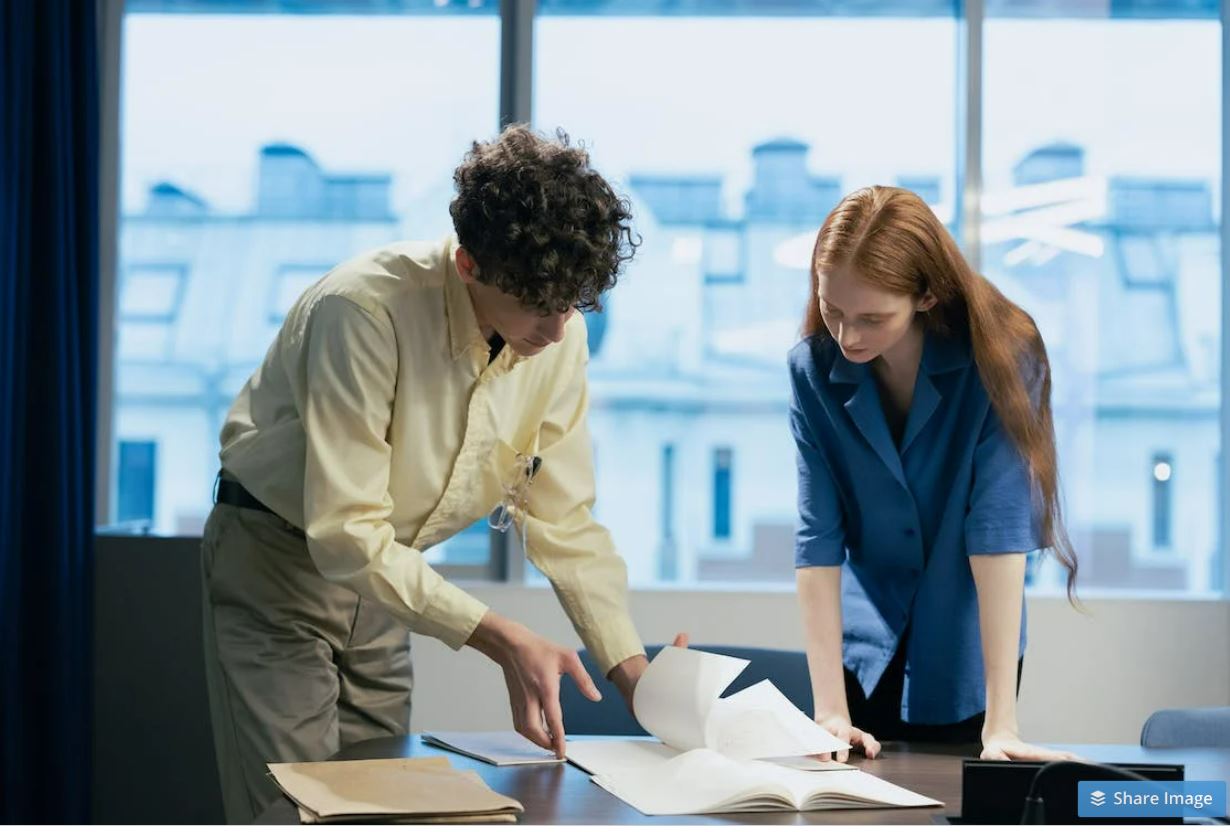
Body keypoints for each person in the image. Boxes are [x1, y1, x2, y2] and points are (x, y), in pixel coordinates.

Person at [200, 124, 682, 823]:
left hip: (391, 578)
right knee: (294, 809)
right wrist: (502, 637)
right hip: (279, 561)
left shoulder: (559, 334)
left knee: (389, 807)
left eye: (572, 303)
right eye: (536, 304)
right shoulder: (362, 312)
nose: (556, 330)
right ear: (468, 265)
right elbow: (346, 536)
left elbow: (563, 518)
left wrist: (632, 672)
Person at [788, 185, 1081, 763]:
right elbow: (817, 540)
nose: (847, 337)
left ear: (925, 295)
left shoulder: (1002, 353)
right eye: (833, 310)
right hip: (864, 649)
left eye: (872, 318)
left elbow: (997, 531)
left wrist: (1002, 727)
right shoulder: (812, 371)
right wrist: (828, 714)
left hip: (967, 648)